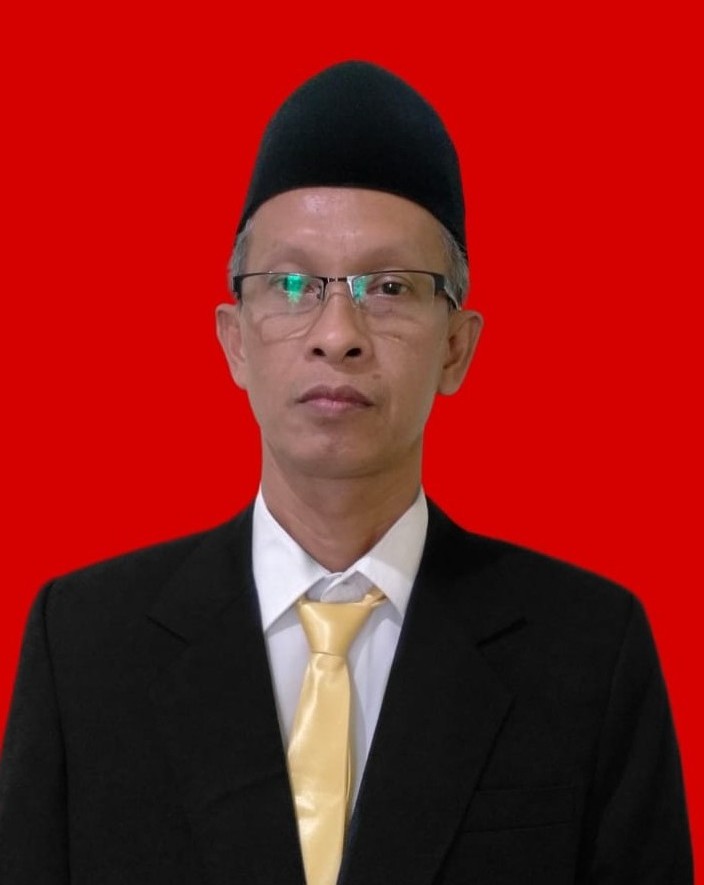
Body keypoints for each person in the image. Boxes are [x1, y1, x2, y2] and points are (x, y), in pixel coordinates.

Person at [0, 60, 692, 885]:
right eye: (293, 283)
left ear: (457, 346)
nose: (338, 333)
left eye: (389, 286)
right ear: (234, 339)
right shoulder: (85, 647)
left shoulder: (587, 651)